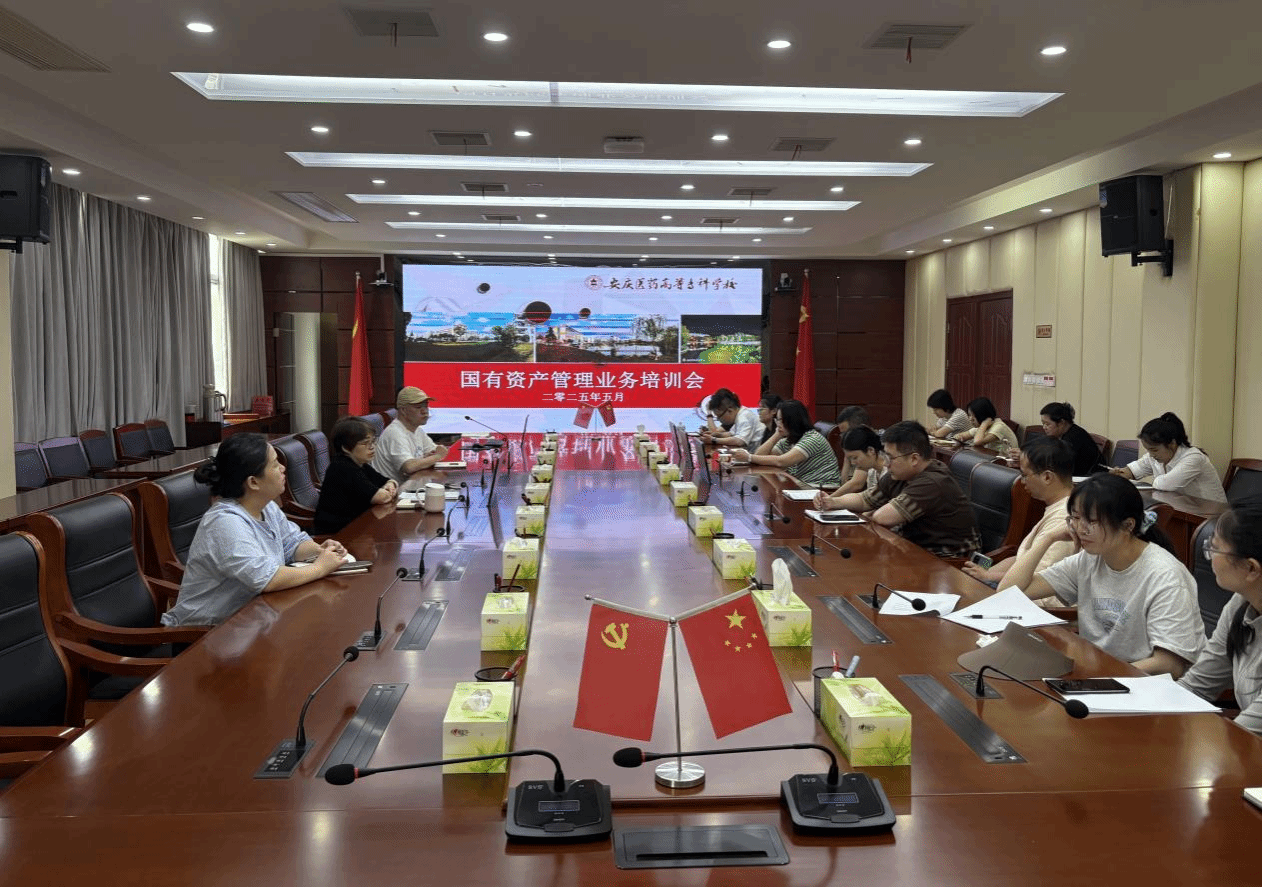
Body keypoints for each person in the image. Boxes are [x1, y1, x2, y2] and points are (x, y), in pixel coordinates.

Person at [1018, 474, 1204, 676]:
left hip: (1141, 683)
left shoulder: (1166, 576)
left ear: (1128, 525)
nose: (1081, 529)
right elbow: (1011, 591)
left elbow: (1169, 665)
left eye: (1092, 521)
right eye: (1076, 518)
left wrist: (1099, 677)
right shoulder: (1090, 559)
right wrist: (1047, 537)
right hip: (1099, 672)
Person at [162, 433, 348, 627]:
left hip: (254, 618)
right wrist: (320, 568)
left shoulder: (265, 506)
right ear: (253, 482)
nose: (283, 468)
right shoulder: (225, 523)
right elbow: (267, 579)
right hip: (207, 633)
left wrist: (320, 551)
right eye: (275, 464)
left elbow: (292, 543)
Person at [814, 420, 981, 559]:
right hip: (916, 550)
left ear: (914, 459)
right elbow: (865, 499)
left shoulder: (933, 482)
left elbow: (883, 517)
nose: (886, 463)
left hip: (951, 561)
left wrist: (871, 514)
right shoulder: (900, 474)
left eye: (891, 457)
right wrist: (832, 502)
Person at [1178, 503, 1262, 736]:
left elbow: (1245, 734)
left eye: (1214, 549)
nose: (1209, 557)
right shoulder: (1241, 602)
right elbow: (1196, 685)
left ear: (1251, 568)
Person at [963, 436, 1077, 595]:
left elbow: (1040, 576)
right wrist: (984, 573)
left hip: (1034, 600)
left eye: (1024, 474)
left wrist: (989, 576)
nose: (1022, 481)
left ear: (1047, 477)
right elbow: (1021, 558)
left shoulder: (1064, 518)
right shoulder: (1057, 506)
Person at [1110, 412, 1227, 503]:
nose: (1151, 454)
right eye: (1148, 450)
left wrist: (1150, 482)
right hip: (1183, 511)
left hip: (1210, 516)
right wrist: (1120, 473)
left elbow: (1165, 485)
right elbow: (1132, 470)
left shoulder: (1194, 458)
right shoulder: (1155, 456)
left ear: (1172, 443)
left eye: (1154, 450)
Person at [314, 417, 399, 534]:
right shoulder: (343, 468)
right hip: (338, 535)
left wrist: (390, 484)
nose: (372, 447)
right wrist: (388, 491)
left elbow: (386, 480)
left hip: (357, 527)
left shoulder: (360, 464)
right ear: (346, 448)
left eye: (373, 442)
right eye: (365, 443)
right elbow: (380, 497)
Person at [732, 399, 841, 488]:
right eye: (777, 420)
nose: (778, 424)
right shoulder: (790, 439)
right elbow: (760, 455)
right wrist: (776, 435)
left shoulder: (812, 439)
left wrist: (749, 457)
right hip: (803, 485)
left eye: (780, 420)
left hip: (822, 488)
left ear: (792, 420)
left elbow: (781, 461)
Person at [372, 387, 449, 483]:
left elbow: (434, 450)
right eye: (418, 407)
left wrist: (432, 456)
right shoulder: (395, 433)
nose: (425, 411)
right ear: (403, 410)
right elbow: (409, 467)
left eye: (426, 406)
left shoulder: (417, 430)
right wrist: (437, 457)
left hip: (411, 484)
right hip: (394, 490)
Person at [1039, 401, 1101, 476]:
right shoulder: (1066, 433)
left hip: (1088, 478)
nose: (1044, 427)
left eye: (1047, 424)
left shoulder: (1073, 439)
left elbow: (1061, 467)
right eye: (1043, 424)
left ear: (1061, 423)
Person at [832, 425, 888, 494]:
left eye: (855, 457)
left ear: (870, 450)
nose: (852, 463)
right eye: (849, 458)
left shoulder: (889, 473)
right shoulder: (872, 472)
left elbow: (856, 484)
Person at [954, 396, 1019, 452]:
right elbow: (959, 436)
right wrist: (959, 437)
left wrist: (984, 423)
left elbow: (977, 441)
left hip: (1005, 460)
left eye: (972, 416)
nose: (970, 419)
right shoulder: (983, 427)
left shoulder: (999, 426)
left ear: (982, 415)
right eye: (969, 415)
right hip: (992, 459)